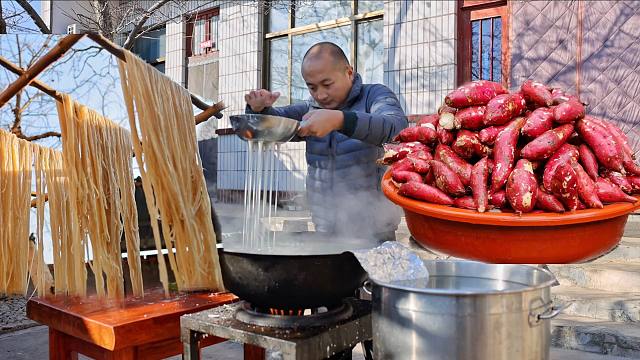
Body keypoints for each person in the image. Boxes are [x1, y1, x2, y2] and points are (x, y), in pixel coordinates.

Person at [244, 42, 407, 244]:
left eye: (327, 84)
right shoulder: (310, 109)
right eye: (312, 87)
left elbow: (397, 128)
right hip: (325, 227)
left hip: (375, 230)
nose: (320, 95)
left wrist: (340, 120)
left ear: (349, 72)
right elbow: (268, 128)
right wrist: (258, 110)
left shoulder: (374, 96)